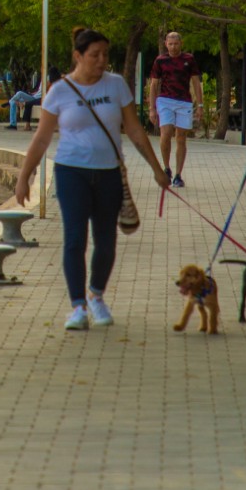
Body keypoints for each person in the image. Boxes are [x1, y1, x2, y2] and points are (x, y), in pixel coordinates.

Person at [14, 26, 171, 331]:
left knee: (106, 241)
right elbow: (42, 138)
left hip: (109, 173)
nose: (101, 61)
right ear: (78, 56)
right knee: (74, 239)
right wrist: (24, 176)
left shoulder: (115, 86)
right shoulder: (59, 91)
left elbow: (135, 131)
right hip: (71, 172)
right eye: (94, 55)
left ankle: (96, 295)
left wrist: (157, 168)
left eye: (105, 55)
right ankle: (77, 307)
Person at [147, 31, 202, 189]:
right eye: (170, 44)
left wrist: (200, 105)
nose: (173, 46)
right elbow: (154, 85)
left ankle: (178, 174)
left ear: (181, 43)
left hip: (184, 101)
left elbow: (196, 83)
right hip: (165, 100)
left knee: (181, 138)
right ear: (166, 44)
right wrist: (152, 108)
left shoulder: (189, 59)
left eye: (176, 43)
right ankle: (166, 168)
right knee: (165, 134)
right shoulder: (160, 60)